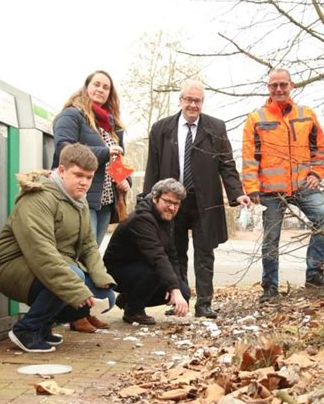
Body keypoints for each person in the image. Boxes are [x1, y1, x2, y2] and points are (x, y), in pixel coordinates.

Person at [0, 143, 115, 352]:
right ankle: (26, 330)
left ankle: (44, 327)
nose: (84, 182)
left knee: (105, 297)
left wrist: (101, 278)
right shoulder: (38, 197)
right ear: (62, 170)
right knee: (73, 277)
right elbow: (41, 252)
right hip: (11, 267)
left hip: (51, 265)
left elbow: (88, 245)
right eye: (78, 175)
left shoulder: (79, 201)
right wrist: (76, 288)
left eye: (89, 177)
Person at [143, 80, 251, 319]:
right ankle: (178, 301)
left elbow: (227, 165)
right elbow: (153, 167)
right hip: (173, 202)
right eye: (189, 100)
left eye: (197, 100)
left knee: (204, 253)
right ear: (180, 101)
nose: (193, 105)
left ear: (202, 102)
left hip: (205, 202)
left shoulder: (215, 128)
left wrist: (237, 193)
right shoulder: (161, 129)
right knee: (174, 252)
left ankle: (204, 303)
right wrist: (148, 198)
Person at [242, 68, 324, 303]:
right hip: (270, 191)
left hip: (302, 185)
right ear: (268, 88)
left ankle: (314, 274)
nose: (279, 89)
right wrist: (251, 188)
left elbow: (320, 149)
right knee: (271, 238)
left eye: (283, 85)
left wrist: (317, 172)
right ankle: (270, 287)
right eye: (274, 85)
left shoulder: (307, 115)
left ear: (291, 86)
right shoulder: (256, 119)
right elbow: (249, 157)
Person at [52, 70, 129, 331]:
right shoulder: (72, 115)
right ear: (86, 86)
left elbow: (116, 160)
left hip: (105, 200)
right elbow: (64, 150)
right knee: (76, 256)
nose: (101, 90)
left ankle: (86, 309)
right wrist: (105, 152)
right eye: (96, 84)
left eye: (106, 87)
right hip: (81, 197)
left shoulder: (112, 124)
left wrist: (122, 178)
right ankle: (75, 314)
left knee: (91, 256)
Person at [104, 179, 190, 325]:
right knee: (157, 271)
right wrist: (173, 289)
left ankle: (128, 298)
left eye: (176, 204)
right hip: (117, 271)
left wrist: (177, 287)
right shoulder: (141, 218)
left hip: (143, 268)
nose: (172, 208)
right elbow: (157, 256)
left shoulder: (165, 218)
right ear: (155, 198)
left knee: (184, 292)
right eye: (168, 202)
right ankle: (133, 310)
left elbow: (171, 255)